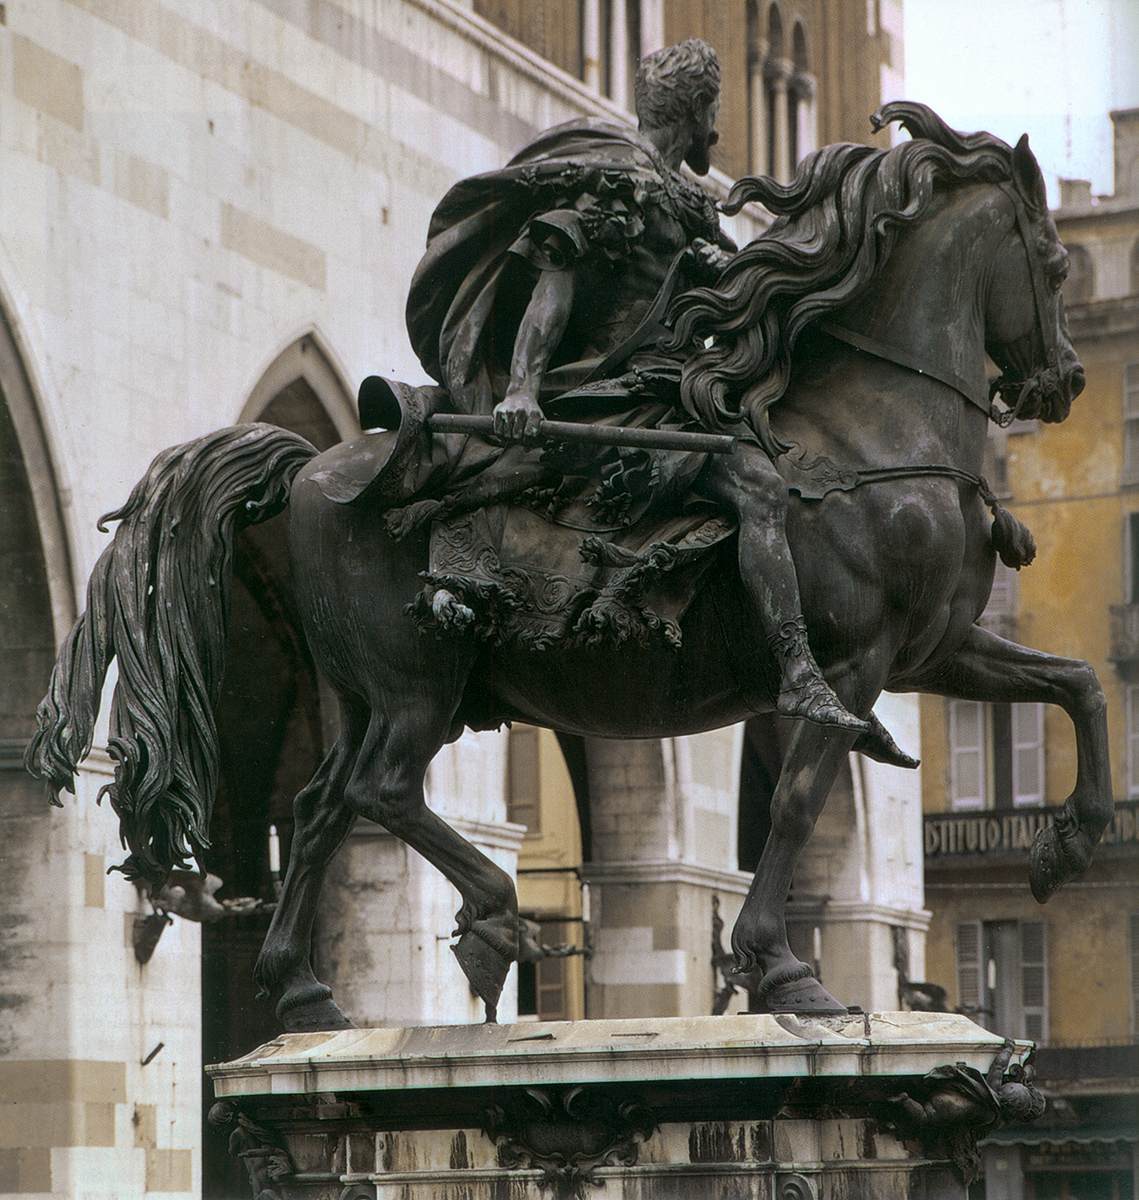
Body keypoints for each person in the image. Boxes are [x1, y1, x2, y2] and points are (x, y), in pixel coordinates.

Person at [402, 39, 868, 736]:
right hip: (610, 393)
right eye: (712, 112)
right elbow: (556, 277)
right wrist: (523, 388)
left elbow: (738, 295)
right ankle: (796, 674)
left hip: (675, 391)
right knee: (760, 489)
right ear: (695, 110)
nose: (716, 130)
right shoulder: (620, 179)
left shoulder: (688, 200)